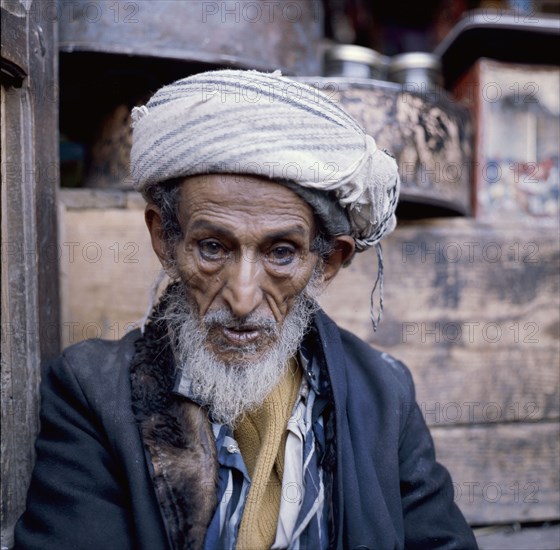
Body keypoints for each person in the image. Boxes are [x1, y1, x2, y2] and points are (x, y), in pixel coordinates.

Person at [15, 70, 478, 550]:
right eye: (213, 247)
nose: (241, 296)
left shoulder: (384, 395)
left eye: (281, 253)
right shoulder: (92, 393)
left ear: (328, 262)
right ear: (165, 239)